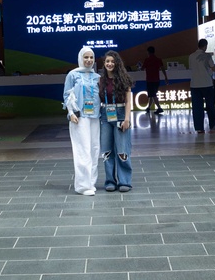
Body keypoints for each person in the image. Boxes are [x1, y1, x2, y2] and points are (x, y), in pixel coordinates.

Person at [63, 46, 101, 196]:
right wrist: (71, 112)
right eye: (86, 57)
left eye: (91, 57)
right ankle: (83, 186)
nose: (89, 60)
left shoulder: (97, 77)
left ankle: (91, 182)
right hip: (80, 117)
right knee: (82, 150)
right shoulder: (73, 75)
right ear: (80, 58)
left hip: (95, 117)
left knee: (94, 149)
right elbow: (67, 95)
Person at [99, 51, 134, 192]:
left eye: (112, 61)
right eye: (107, 61)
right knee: (107, 151)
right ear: (104, 63)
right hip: (105, 116)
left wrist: (127, 119)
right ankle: (110, 181)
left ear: (117, 63)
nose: (110, 64)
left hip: (120, 116)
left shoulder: (124, 79)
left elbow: (128, 102)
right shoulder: (100, 81)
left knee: (122, 150)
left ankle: (124, 181)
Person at [188, 38, 215, 133]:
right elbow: (213, 68)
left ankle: (199, 128)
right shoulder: (207, 56)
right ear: (205, 46)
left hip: (195, 84)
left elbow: (191, 67)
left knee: (197, 107)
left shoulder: (191, 56)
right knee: (210, 105)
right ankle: (212, 125)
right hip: (207, 83)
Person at [142, 46, 169, 114]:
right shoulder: (158, 59)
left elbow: (142, 68)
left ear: (148, 52)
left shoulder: (147, 60)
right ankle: (148, 107)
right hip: (157, 80)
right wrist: (165, 77)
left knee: (153, 94)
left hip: (150, 80)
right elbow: (162, 68)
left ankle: (159, 108)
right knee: (152, 94)